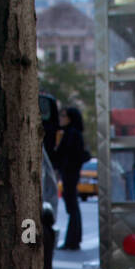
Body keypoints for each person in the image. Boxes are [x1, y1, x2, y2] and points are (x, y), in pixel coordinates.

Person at [53, 105, 87, 251]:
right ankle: (73, 239)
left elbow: (67, 155)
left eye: (63, 116)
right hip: (70, 174)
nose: (61, 119)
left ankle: (72, 241)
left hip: (70, 174)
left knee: (71, 207)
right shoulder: (72, 133)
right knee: (72, 207)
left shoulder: (72, 134)